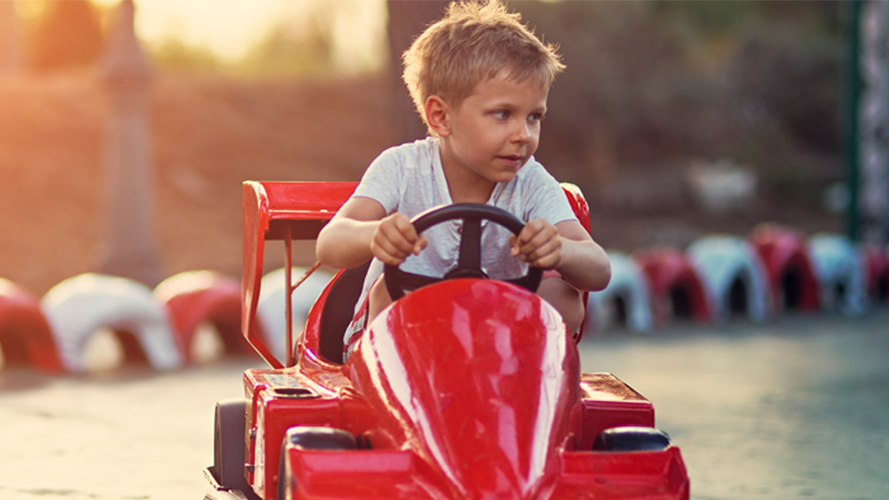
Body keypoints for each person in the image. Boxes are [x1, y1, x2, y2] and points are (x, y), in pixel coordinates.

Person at [316, 0, 610, 357]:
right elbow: (329, 244)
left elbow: (598, 270)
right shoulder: (401, 168)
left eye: (534, 117)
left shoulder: (531, 181)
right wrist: (374, 233)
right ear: (440, 117)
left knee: (564, 297)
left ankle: (527, 387)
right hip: (393, 356)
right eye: (503, 114)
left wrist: (559, 250)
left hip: (494, 353)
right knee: (387, 290)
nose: (524, 135)